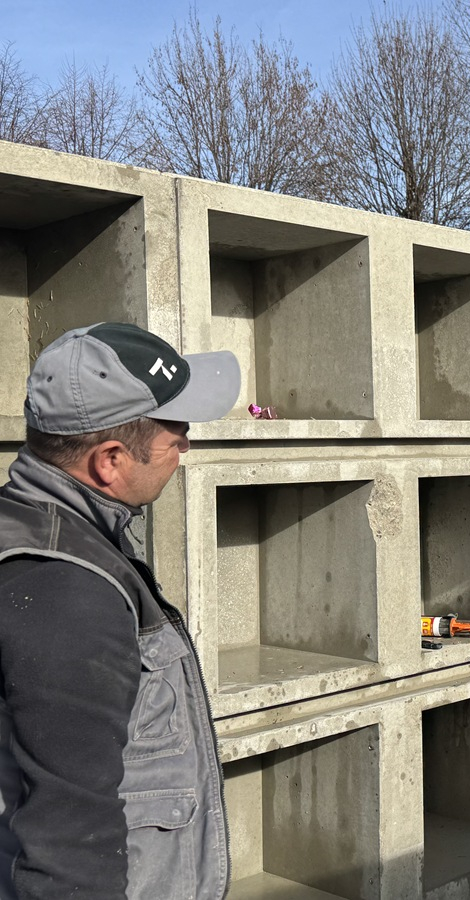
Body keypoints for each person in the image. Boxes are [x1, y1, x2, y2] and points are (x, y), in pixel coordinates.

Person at [0, 323, 240, 898]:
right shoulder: (66, 591)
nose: (186, 445)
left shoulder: (43, 528)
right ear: (110, 461)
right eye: (175, 430)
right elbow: (69, 847)